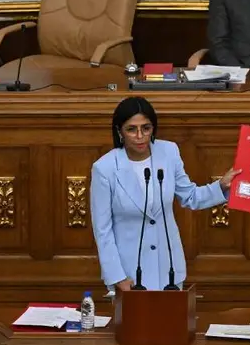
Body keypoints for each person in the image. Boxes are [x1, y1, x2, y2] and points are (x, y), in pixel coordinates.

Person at [90, 97, 240, 292]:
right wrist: (117, 276)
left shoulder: (168, 152)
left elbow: (190, 196)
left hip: (168, 269)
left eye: (146, 128)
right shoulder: (105, 168)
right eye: (131, 129)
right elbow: (103, 231)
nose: (139, 136)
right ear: (120, 131)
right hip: (130, 275)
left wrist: (221, 186)